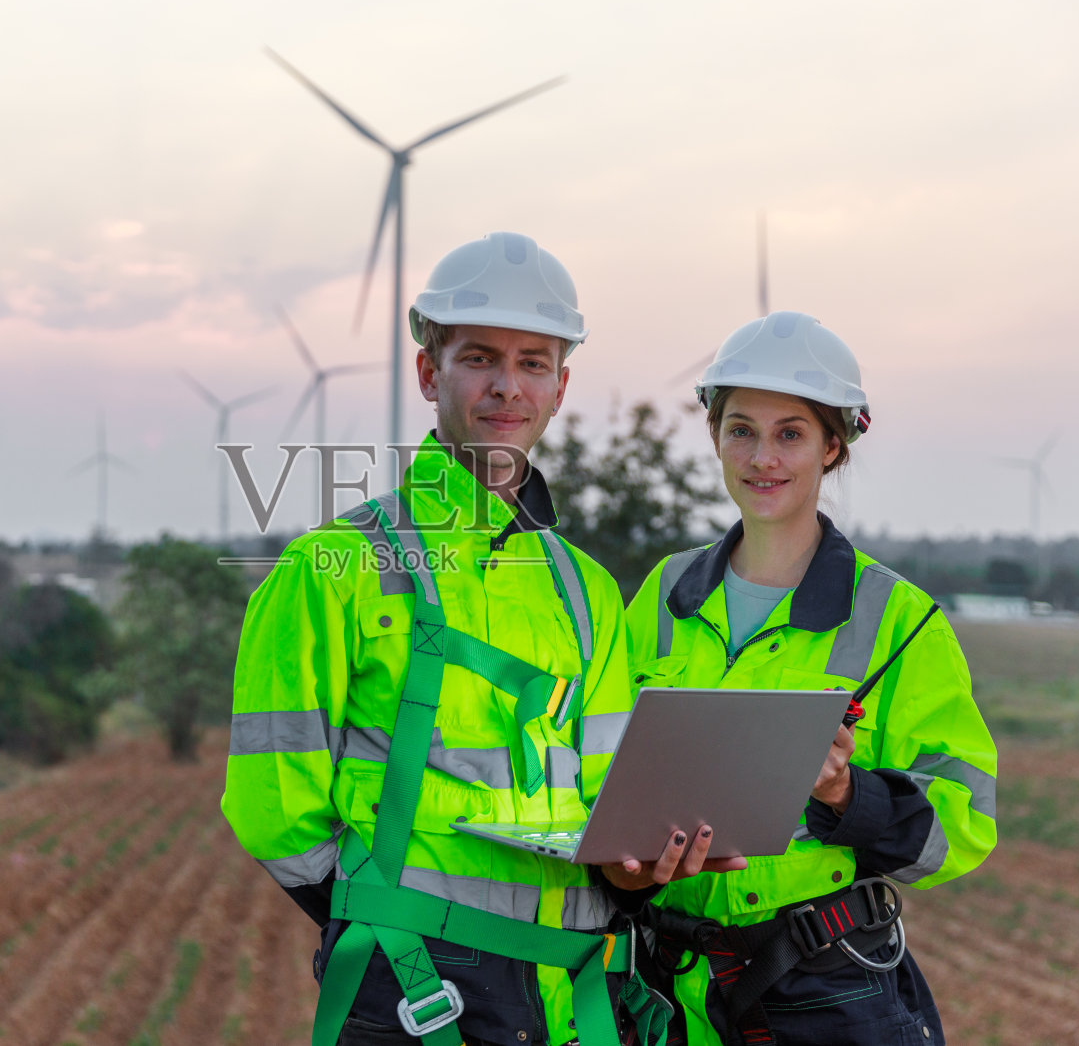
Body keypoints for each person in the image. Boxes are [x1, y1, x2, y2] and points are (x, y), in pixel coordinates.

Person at [223, 232, 739, 1046]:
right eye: (479, 358)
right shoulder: (330, 569)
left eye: (533, 363)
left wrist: (634, 871)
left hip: (573, 998)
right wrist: (383, 924)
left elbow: (605, 798)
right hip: (410, 991)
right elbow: (272, 805)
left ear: (560, 387)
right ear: (430, 373)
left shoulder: (588, 590)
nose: (507, 385)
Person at [623, 311, 997, 1046]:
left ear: (833, 446)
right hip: (662, 985)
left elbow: (964, 825)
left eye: (790, 433)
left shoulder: (900, 620)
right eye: (742, 429)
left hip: (824, 989)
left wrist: (845, 795)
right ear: (714, 435)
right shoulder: (662, 594)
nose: (762, 457)